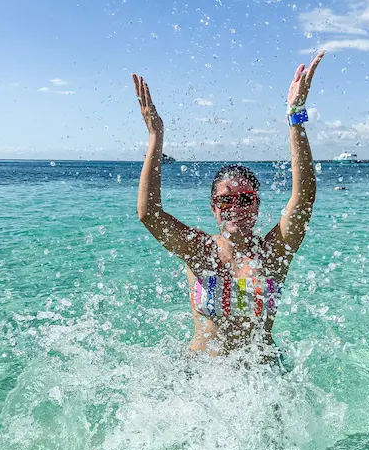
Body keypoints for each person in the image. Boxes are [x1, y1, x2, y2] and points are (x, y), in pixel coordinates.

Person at [133, 52, 325, 363]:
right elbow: (149, 214)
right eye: (226, 200)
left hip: (258, 378)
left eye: (246, 199)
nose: (236, 207)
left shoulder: (273, 253)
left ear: (257, 205)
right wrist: (156, 136)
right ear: (213, 206)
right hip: (201, 374)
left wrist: (296, 115)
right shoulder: (199, 250)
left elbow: (303, 199)